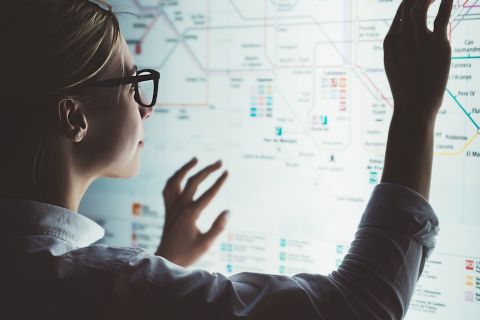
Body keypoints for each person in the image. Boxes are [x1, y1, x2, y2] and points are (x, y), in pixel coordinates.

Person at [0, 0, 453, 319]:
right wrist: (415, 116)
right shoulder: (104, 286)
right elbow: (357, 308)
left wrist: (166, 262)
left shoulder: (38, 273)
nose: (147, 106)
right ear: (74, 116)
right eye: (131, 82)